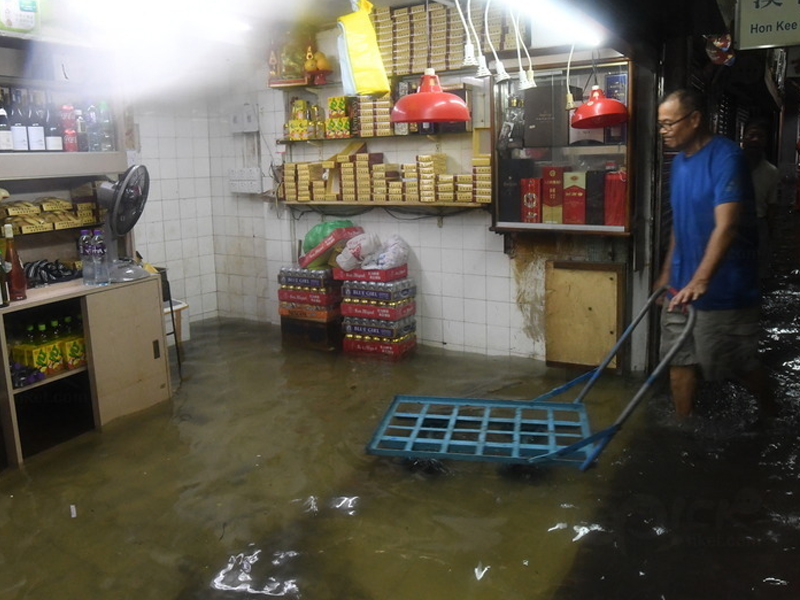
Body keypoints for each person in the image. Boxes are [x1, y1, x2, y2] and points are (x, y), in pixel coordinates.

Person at [654, 89, 772, 419]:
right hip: (681, 286)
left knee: (733, 364)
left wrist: (702, 279)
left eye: (669, 123)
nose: (664, 131)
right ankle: (683, 428)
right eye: (660, 125)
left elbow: (727, 226)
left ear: (695, 119)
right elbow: (680, 222)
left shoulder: (726, 157)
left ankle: (770, 408)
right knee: (678, 359)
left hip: (723, 289)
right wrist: (667, 274)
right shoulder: (678, 164)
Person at [742, 118, 779, 281]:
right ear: (743, 138)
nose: (755, 140)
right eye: (751, 135)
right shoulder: (730, 164)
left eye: (760, 136)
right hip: (732, 223)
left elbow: (771, 206)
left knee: (757, 271)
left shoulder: (771, 172)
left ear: (766, 141)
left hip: (758, 225)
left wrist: (770, 233)